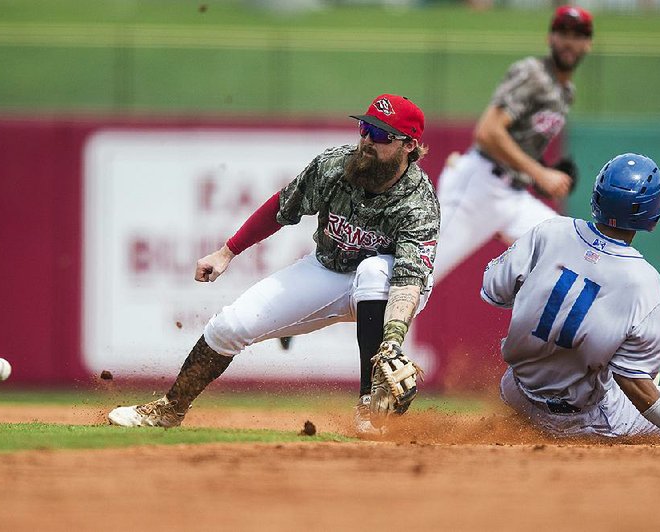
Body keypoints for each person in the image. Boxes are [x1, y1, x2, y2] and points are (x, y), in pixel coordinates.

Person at [108, 94, 440, 435]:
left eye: (381, 135)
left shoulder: (419, 204)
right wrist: (227, 252)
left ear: (409, 145)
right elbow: (282, 207)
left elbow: (408, 279)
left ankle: (369, 407)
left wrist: (393, 338)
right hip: (328, 268)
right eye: (365, 128)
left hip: (392, 288)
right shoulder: (335, 167)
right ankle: (170, 409)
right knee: (229, 326)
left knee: (373, 271)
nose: (367, 140)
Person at [481, 153, 660, 442]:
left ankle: (529, 422)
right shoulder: (643, 279)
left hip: (516, 394)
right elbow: (634, 380)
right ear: (652, 215)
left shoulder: (550, 230)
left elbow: (495, 291)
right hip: (580, 420)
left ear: (597, 197)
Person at [432, 5, 593, 281]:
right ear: (549, 38)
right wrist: (540, 173)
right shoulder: (533, 73)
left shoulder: (566, 92)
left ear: (588, 44)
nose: (569, 40)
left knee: (573, 249)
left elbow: (520, 142)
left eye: (578, 34)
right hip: (478, 187)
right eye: (562, 31)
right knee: (419, 275)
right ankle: (365, 315)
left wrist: (539, 172)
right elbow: (487, 131)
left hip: (512, 198)